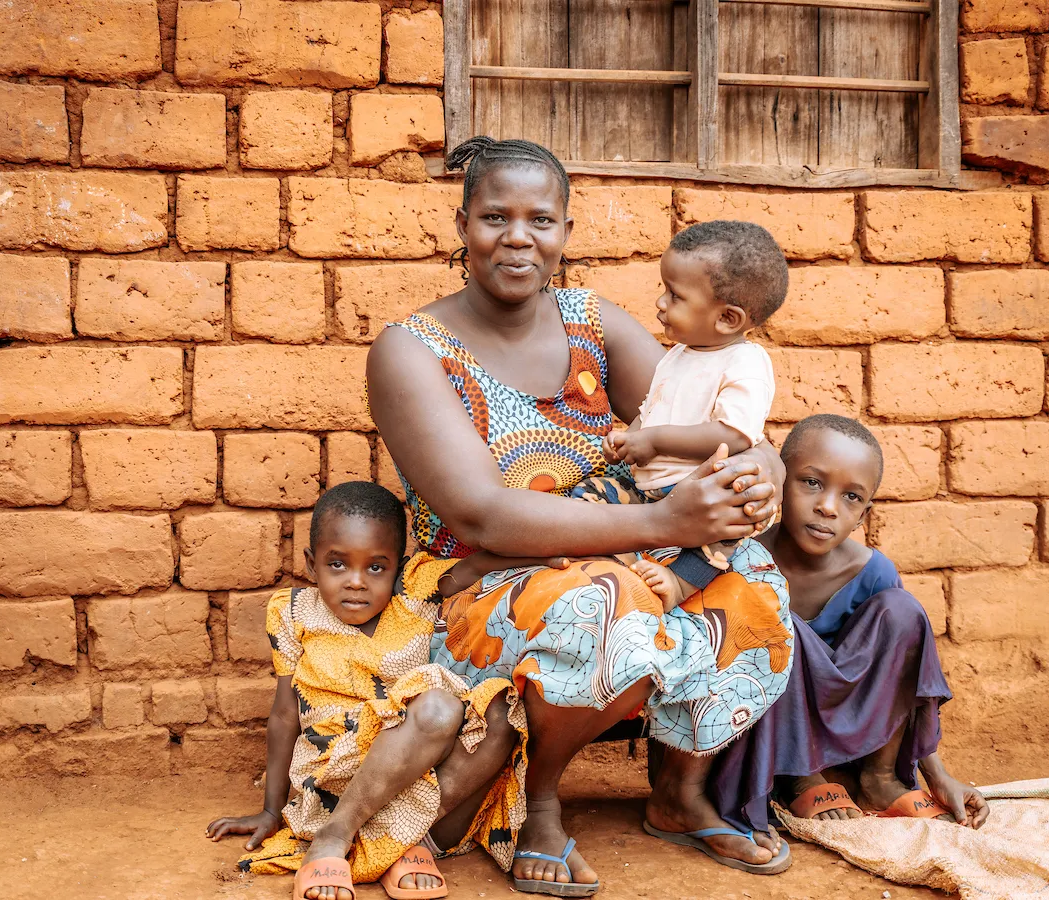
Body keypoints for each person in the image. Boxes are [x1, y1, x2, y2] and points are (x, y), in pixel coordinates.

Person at [365, 136, 795, 895]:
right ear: (462, 224)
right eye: (495, 216)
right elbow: (485, 514)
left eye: (542, 219)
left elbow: (702, 421)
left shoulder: (590, 321)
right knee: (602, 605)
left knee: (751, 581)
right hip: (481, 576)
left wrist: (764, 468)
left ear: (566, 231)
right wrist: (667, 527)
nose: (519, 237)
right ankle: (542, 797)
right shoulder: (411, 351)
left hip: (620, 542)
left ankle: (678, 791)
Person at [205, 482, 533, 900]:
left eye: (376, 568)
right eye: (337, 565)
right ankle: (339, 835)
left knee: (499, 714)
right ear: (311, 563)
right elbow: (285, 713)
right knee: (436, 708)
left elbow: (482, 565)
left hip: (421, 772)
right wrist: (272, 810)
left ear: (400, 566)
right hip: (333, 780)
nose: (356, 582)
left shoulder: (416, 591)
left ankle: (397, 842)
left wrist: (555, 553)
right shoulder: (293, 612)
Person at [709, 415, 990, 832]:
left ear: (863, 515)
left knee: (903, 610)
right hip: (763, 723)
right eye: (812, 483)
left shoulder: (873, 572)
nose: (828, 507)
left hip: (849, 721)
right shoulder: (743, 558)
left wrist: (937, 775)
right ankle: (797, 775)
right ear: (780, 481)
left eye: (852, 497)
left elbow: (906, 681)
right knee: (776, 619)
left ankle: (878, 778)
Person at [579, 220, 786, 611]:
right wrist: (632, 437)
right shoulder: (678, 354)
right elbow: (652, 410)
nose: (660, 303)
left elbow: (735, 435)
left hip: (702, 493)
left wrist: (653, 441)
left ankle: (679, 582)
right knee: (592, 494)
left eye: (674, 295)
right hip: (650, 490)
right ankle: (618, 559)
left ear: (727, 318)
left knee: (728, 526)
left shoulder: (745, 363)